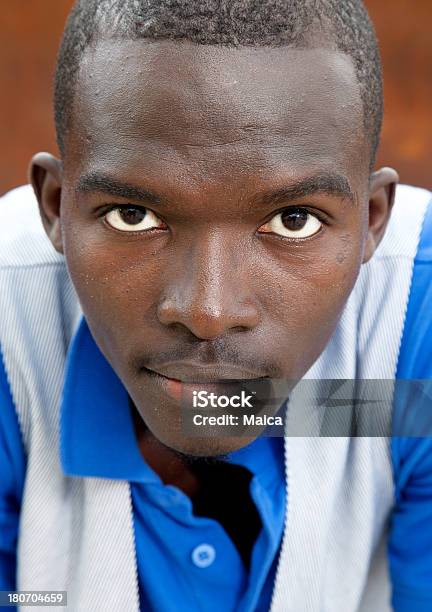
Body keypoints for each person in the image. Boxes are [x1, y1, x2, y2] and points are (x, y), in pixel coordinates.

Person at [1, 0, 431, 610]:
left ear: (371, 219)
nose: (208, 310)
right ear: (55, 208)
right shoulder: (10, 327)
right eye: (134, 216)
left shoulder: (410, 340)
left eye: (294, 219)